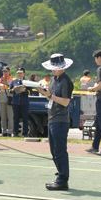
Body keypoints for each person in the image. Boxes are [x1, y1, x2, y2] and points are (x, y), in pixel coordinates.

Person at [41, 53, 76, 190]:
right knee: (54, 150)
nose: (53, 70)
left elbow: (66, 102)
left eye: (56, 68)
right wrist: (46, 94)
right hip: (52, 117)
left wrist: (50, 95)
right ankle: (61, 174)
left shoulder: (66, 81)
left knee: (60, 150)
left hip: (60, 119)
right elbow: (51, 97)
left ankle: (62, 179)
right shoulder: (54, 80)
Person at [8, 69, 31, 137]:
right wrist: (13, 89)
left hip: (24, 102)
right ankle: (15, 132)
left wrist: (24, 90)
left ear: (24, 74)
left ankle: (25, 133)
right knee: (16, 118)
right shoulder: (14, 81)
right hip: (15, 102)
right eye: (18, 73)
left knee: (25, 118)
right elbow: (9, 91)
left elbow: (30, 92)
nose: (19, 74)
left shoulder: (27, 82)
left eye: (21, 73)